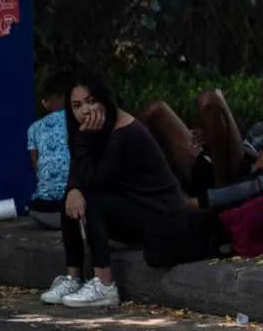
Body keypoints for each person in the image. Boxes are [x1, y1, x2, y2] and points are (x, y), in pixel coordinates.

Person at [40, 73, 197, 309]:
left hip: (160, 216)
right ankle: (73, 277)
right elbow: (79, 168)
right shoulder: (86, 131)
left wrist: (84, 143)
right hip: (131, 209)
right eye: (76, 105)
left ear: (105, 101)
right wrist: (73, 188)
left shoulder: (125, 132)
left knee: (88, 197)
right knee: (71, 198)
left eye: (91, 101)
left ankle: (104, 285)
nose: (85, 110)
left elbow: (97, 179)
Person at [139, 67, 263, 198]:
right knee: (156, 110)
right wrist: (214, 140)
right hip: (222, 171)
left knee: (212, 98)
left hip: (246, 185)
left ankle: (219, 196)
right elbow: (242, 153)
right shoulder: (259, 128)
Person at [26, 71, 73, 227]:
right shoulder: (79, 121)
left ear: (46, 102)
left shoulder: (34, 128)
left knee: (33, 206)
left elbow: (37, 168)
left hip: (46, 206)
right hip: (76, 200)